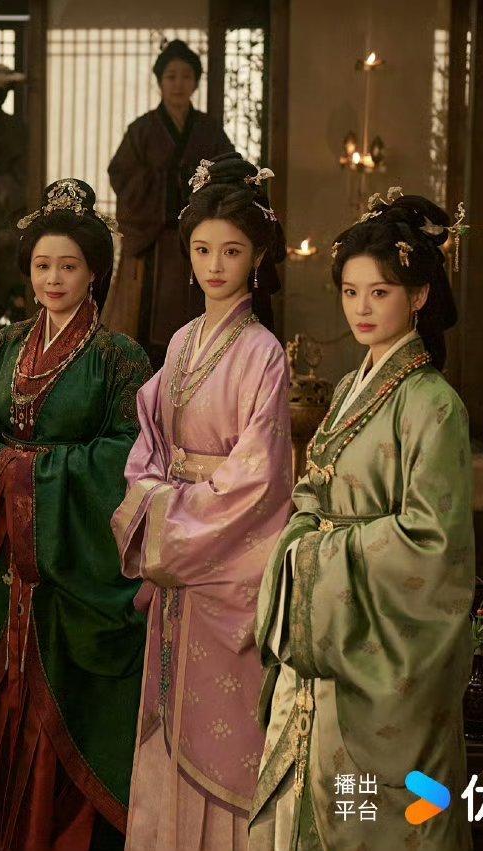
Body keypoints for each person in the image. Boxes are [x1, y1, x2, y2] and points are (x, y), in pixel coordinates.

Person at [250, 189, 474, 850]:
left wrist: (318, 558)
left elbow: (433, 544)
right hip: (328, 637)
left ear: (420, 295)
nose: (361, 309)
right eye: (351, 292)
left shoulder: (434, 405)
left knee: (373, 814)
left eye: (380, 292)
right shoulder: (350, 387)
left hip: (382, 648)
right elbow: (313, 492)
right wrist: (301, 537)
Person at [0, 178, 150, 850]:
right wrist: (9, 467)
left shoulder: (119, 357)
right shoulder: (5, 347)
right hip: (11, 563)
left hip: (73, 564)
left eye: (69, 265)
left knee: (65, 694)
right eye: (42, 265)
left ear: (94, 272)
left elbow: (129, 452)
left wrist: (31, 472)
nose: (54, 279)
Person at [113, 155, 292, 848]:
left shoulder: (264, 353)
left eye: (232, 251)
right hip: (178, 556)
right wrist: (159, 502)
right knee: (167, 718)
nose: (216, 265)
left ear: (257, 258)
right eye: (203, 249)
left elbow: (259, 476)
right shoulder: (182, 343)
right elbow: (148, 444)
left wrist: (174, 526)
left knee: (224, 729)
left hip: (221, 567)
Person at [106, 38, 238, 360]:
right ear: (160, 81)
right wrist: (167, 183)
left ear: (196, 82)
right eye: (171, 76)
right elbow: (121, 175)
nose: (179, 84)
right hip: (152, 242)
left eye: (186, 76)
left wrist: (201, 192)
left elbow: (230, 173)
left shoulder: (208, 129)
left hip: (198, 241)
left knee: (197, 326)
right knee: (143, 333)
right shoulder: (141, 130)